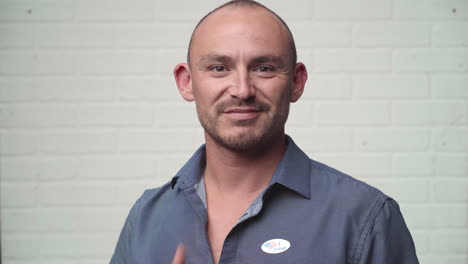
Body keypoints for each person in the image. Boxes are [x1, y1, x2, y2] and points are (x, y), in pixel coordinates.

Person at [110, 1, 419, 263]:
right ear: (186, 82)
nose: (242, 90)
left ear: (296, 82)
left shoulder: (364, 216)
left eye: (264, 68)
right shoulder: (146, 217)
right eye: (219, 68)